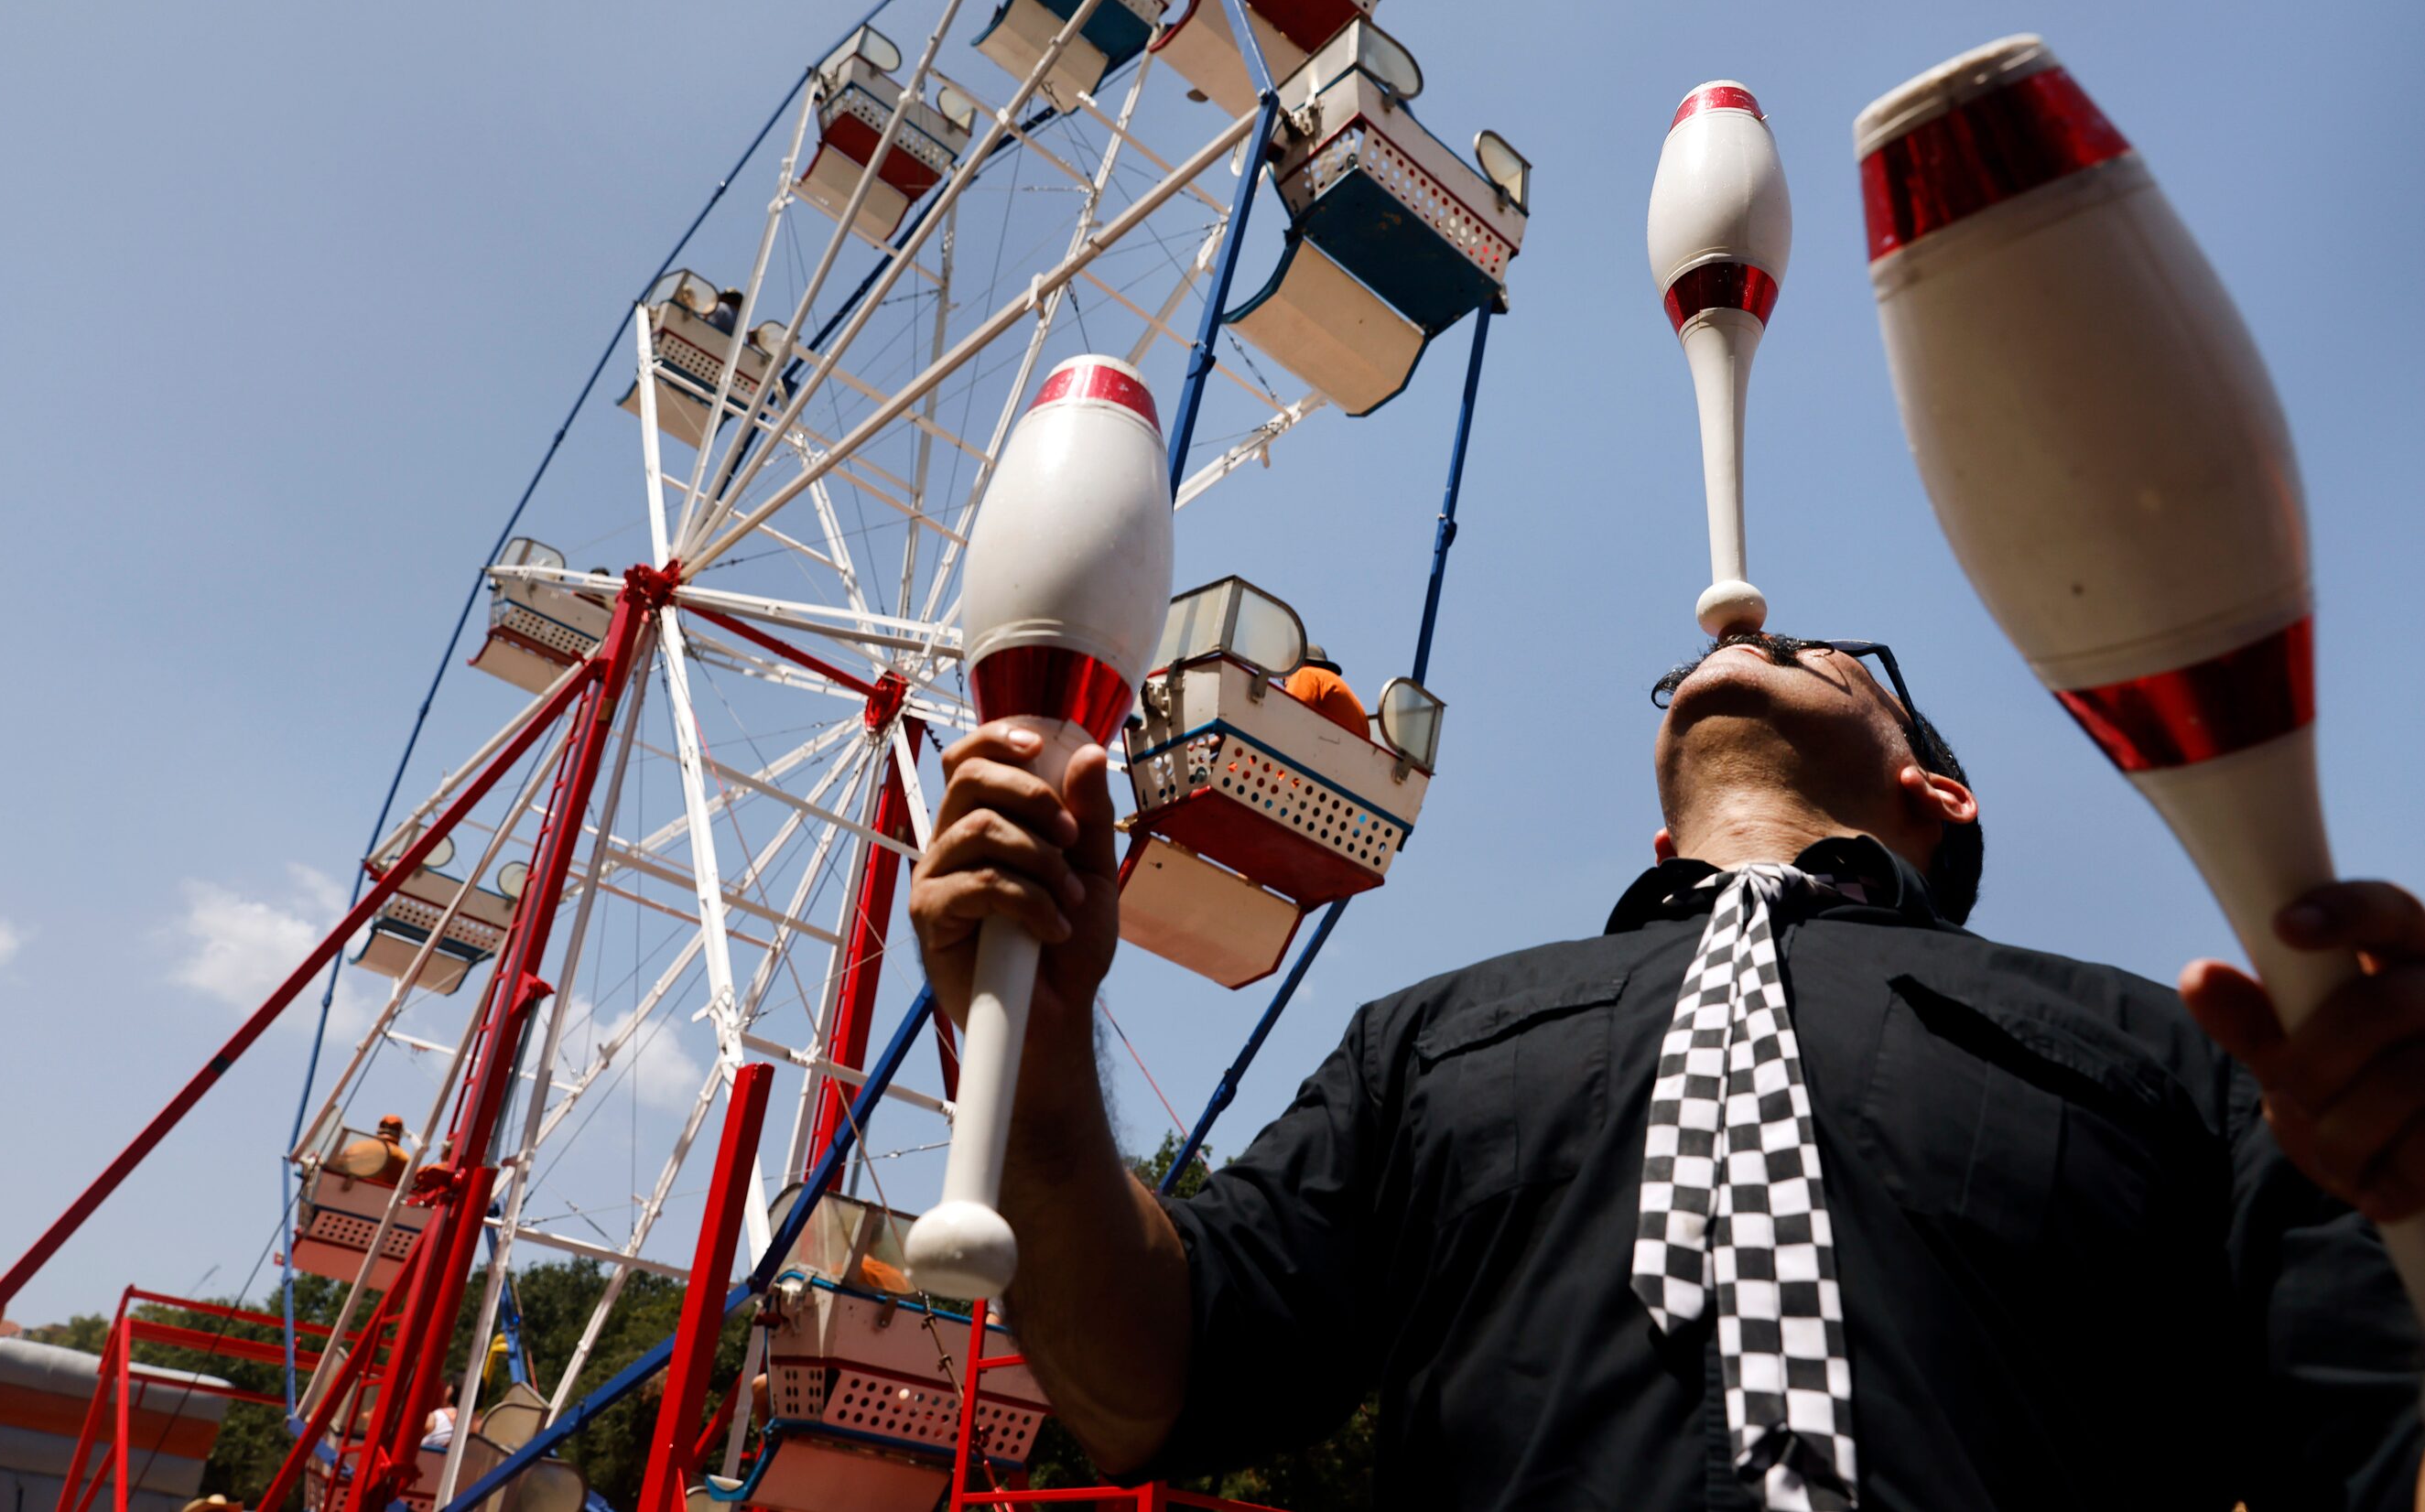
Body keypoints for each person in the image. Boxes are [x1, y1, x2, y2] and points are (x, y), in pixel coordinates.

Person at [908, 629, 2425, 1510]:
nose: (1754, 635)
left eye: (1839, 657)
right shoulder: (1418, 1038)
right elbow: (1150, 1378)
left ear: (1932, 789)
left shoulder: (2185, 1051)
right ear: (1653, 824)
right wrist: (1035, 1042)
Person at [1279, 643, 1370, 740]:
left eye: (1285, 676)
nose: (1285, 684)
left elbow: (1290, 714)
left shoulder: (1305, 673)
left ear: (1297, 664)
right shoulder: (1336, 685)